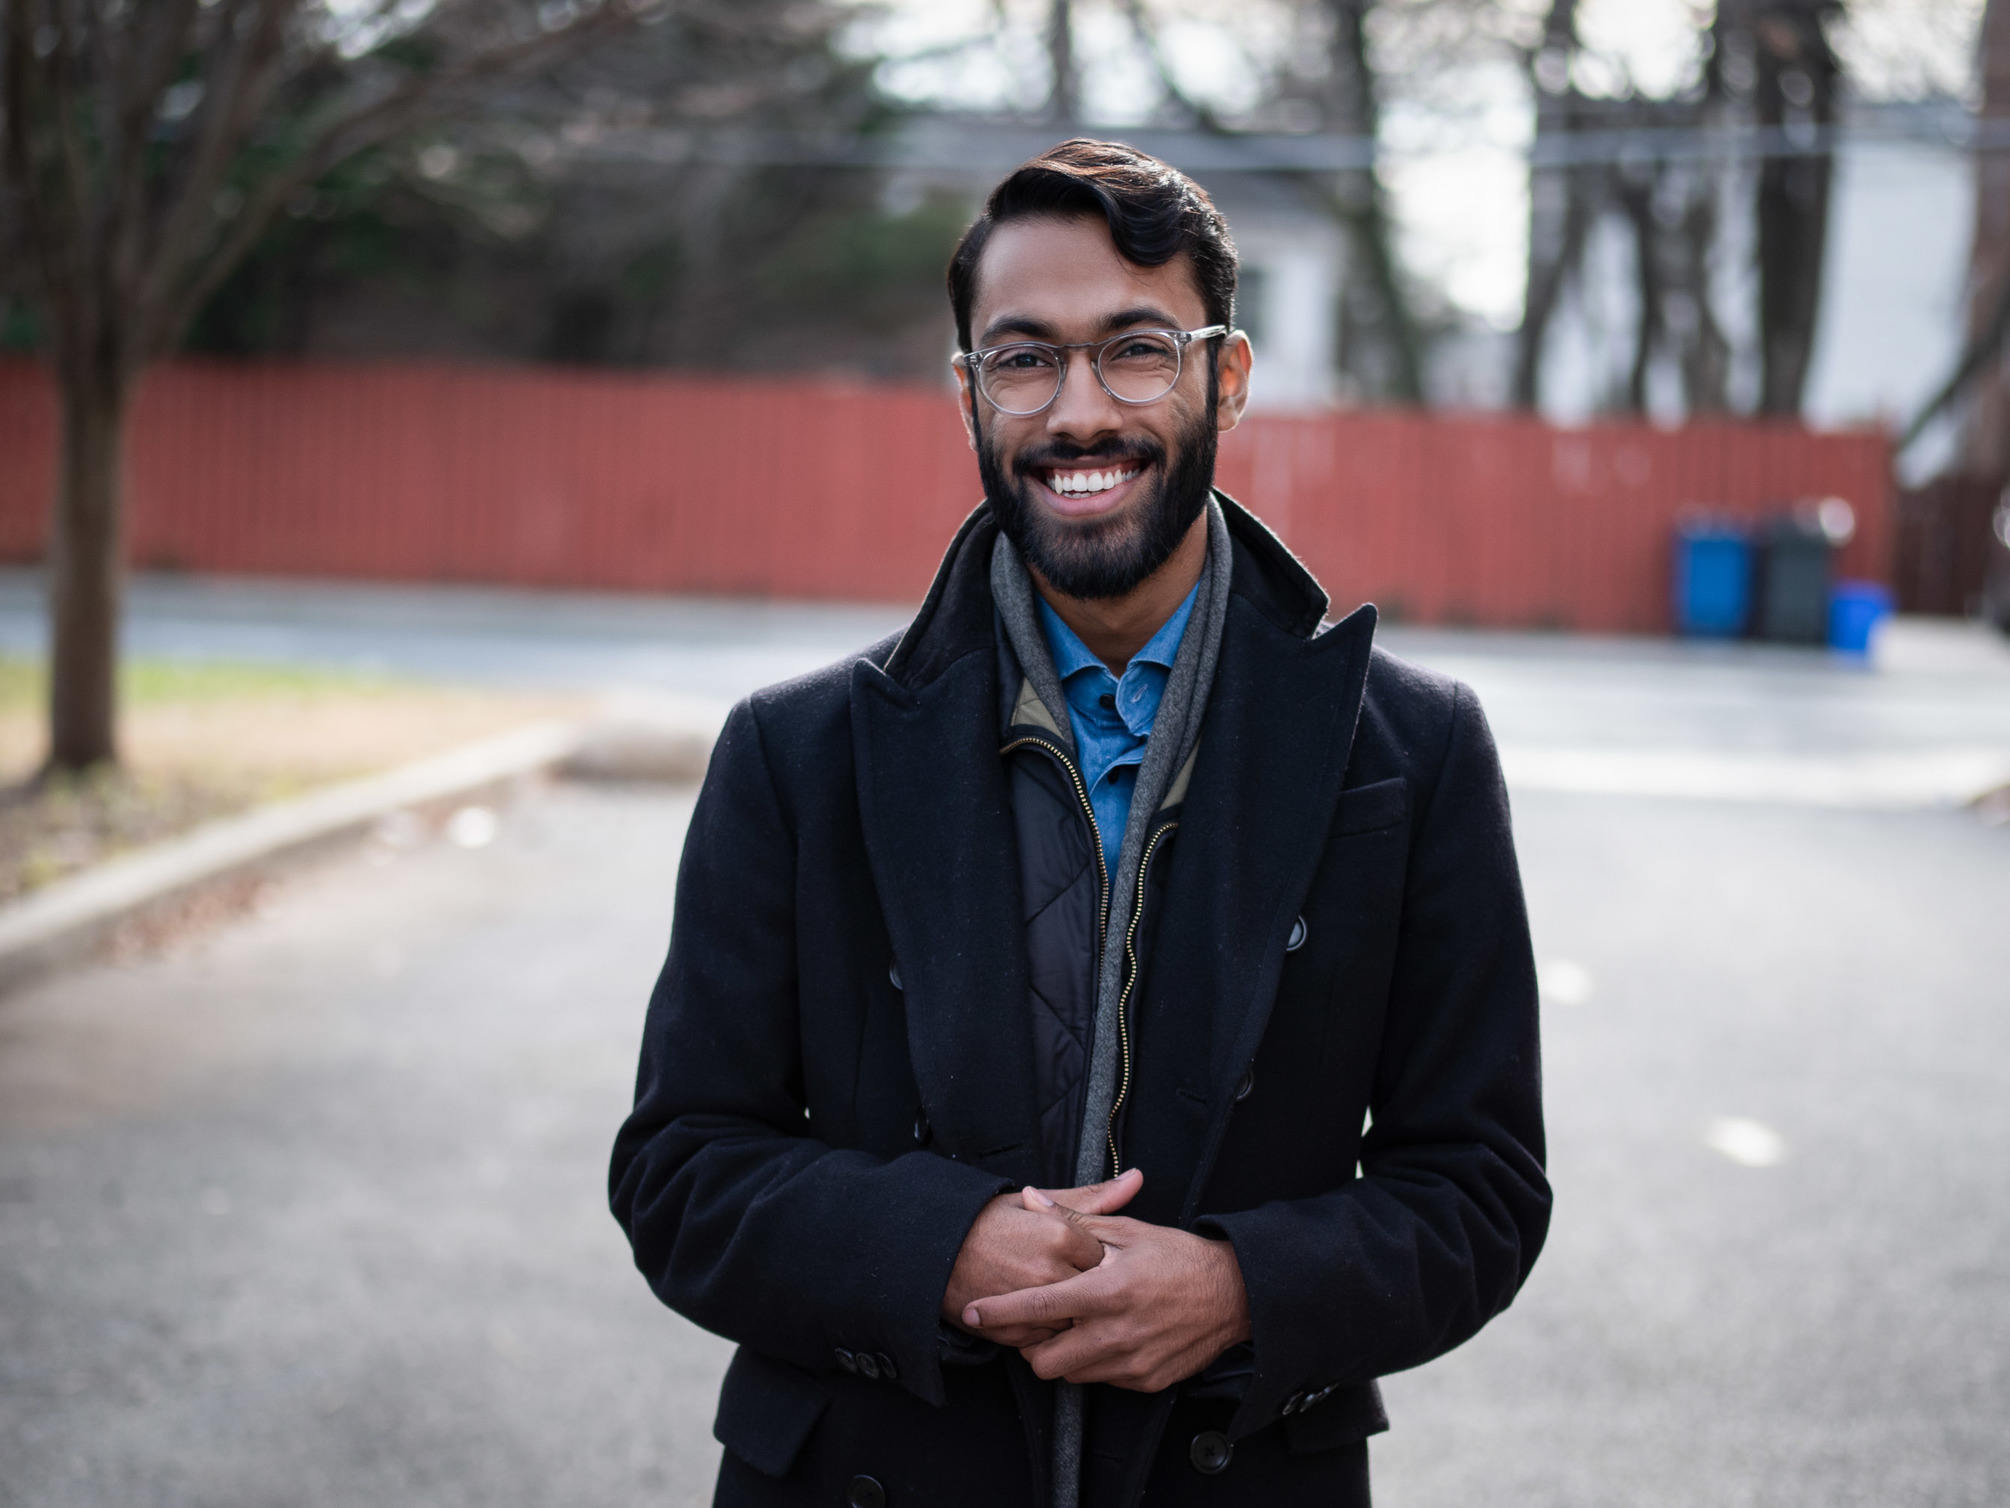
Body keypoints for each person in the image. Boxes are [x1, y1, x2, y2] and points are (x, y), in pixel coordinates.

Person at [610, 138, 1550, 1508]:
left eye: (1134, 351)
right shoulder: (793, 754)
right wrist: (932, 1247)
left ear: (1224, 375)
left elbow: (1477, 1190)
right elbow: (682, 1170)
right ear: (967, 393)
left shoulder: (1407, 754)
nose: (1077, 410)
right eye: (1023, 357)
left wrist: (1241, 1288)